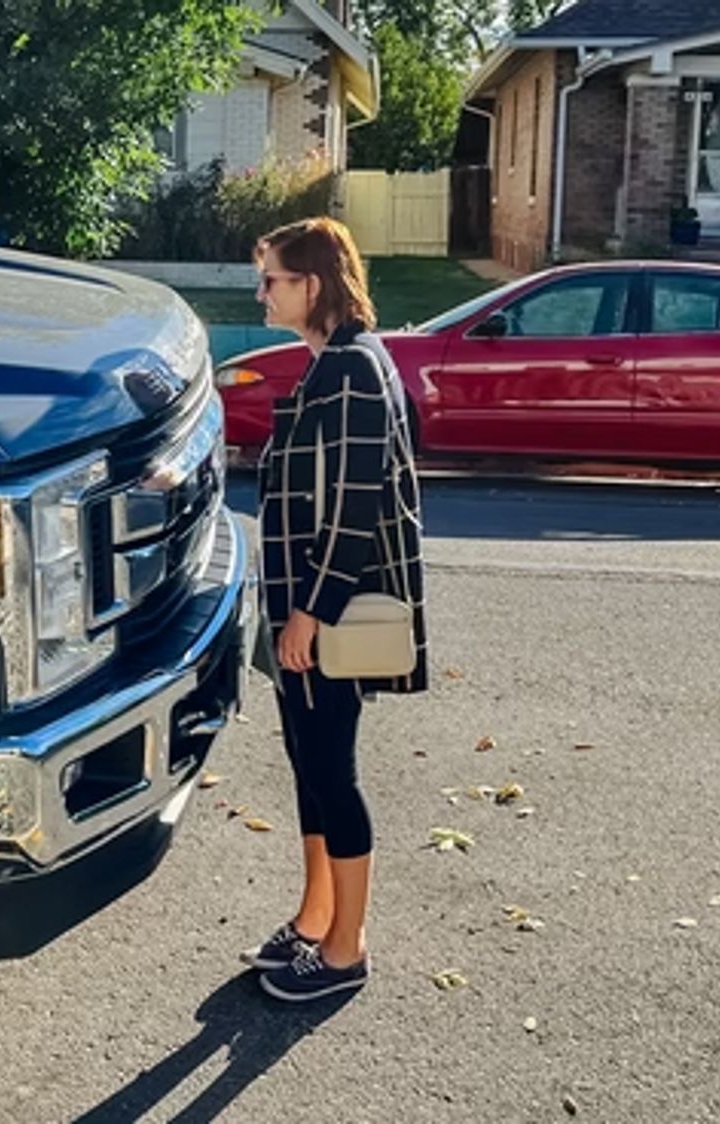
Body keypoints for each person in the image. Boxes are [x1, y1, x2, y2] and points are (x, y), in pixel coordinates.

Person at [242, 217, 428, 1002]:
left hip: (327, 615)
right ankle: (316, 917)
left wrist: (309, 614)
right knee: (310, 769)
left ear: (311, 285)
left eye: (272, 280)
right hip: (305, 608)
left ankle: (346, 949)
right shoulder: (335, 362)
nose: (261, 293)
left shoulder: (351, 368)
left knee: (332, 773)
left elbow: (353, 506)